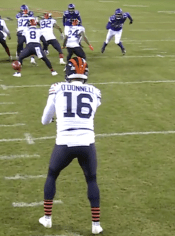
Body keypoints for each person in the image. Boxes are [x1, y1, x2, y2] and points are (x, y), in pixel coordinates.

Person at [39, 56, 103, 235]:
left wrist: (54, 118)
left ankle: (47, 218)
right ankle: (96, 225)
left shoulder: (57, 88)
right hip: (87, 142)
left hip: (65, 142)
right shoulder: (95, 91)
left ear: (68, 71)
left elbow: (44, 120)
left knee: (52, 175)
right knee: (91, 180)